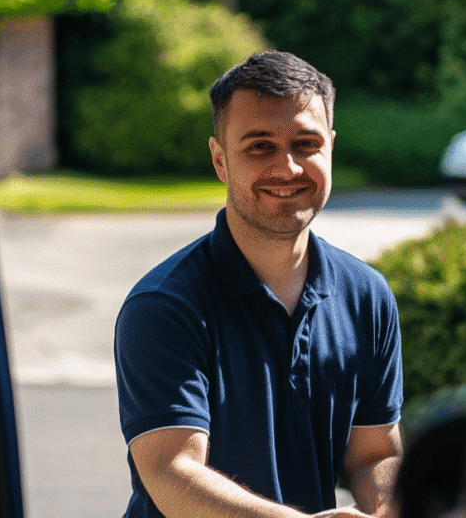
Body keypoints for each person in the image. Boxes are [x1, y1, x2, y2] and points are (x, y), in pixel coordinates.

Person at [115, 51, 404, 518]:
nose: (288, 168)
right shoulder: (165, 305)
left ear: (330, 147)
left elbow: (375, 453)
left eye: (306, 143)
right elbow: (172, 473)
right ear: (220, 160)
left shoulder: (366, 295)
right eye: (260, 146)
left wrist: (387, 506)